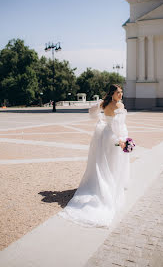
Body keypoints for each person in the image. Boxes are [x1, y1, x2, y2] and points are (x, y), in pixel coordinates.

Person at [58, 84, 130, 228]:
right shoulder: (119, 106)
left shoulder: (104, 103)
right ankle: (110, 188)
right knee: (113, 162)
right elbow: (117, 125)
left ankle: (103, 184)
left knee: (105, 163)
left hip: (105, 135)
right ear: (112, 93)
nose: (121, 95)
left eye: (121, 92)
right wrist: (121, 140)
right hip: (115, 137)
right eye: (118, 93)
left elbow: (92, 112)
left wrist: (102, 121)